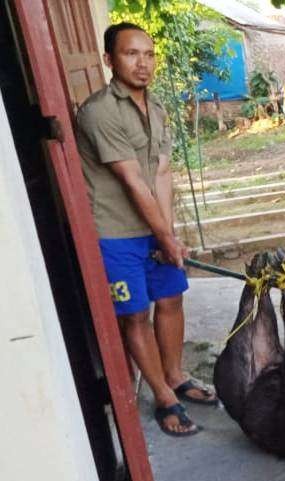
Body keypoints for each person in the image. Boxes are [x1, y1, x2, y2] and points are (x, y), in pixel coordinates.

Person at [76, 22, 217, 437]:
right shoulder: (99, 111)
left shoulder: (155, 108)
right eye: (131, 54)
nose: (143, 63)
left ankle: (175, 374)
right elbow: (133, 182)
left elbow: (161, 174)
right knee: (135, 315)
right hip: (115, 232)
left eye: (150, 54)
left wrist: (166, 233)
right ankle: (163, 396)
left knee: (171, 299)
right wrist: (167, 238)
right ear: (109, 60)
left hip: (153, 229)